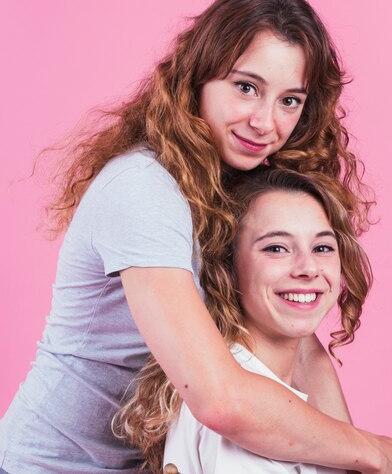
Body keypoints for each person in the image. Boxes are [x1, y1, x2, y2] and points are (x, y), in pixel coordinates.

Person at [0, 0, 392, 474]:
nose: (265, 122)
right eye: (246, 87)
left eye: (290, 100)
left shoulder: (243, 186)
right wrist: (373, 451)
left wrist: (361, 464)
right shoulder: (143, 189)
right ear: (197, 77)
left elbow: (302, 349)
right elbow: (220, 400)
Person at [114, 167, 372, 474]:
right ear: (227, 267)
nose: (308, 268)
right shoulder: (249, 421)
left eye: (322, 247)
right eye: (276, 248)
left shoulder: (272, 394)